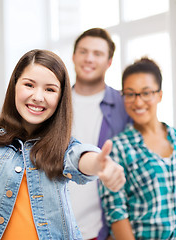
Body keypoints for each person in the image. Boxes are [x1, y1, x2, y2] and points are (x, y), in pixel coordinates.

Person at [0, 49, 125, 240]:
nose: (38, 96)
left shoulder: (62, 147)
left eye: (50, 89)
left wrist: (100, 164)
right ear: (15, 85)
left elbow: (79, 158)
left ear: (60, 98)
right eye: (29, 85)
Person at [99, 57, 176, 239]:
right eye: (130, 94)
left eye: (146, 93)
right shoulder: (117, 149)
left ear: (159, 95)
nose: (138, 102)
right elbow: (117, 213)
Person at [69, 27, 131, 240]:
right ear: (73, 56)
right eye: (83, 51)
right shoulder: (54, 102)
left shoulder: (124, 106)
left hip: (101, 229)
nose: (89, 59)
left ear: (109, 62)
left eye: (98, 54)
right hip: (54, 225)